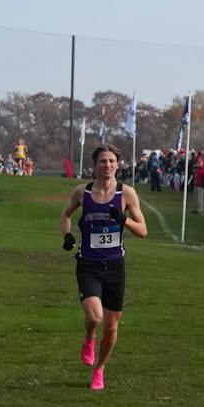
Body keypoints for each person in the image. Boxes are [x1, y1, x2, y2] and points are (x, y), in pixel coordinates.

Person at [59, 145, 148, 392]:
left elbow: (143, 231)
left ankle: (99, 369)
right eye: (102, 161)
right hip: (88, 264)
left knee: (111, 326)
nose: (106, 165)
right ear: (95, 165)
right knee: (95, 317)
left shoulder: (127, 194)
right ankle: (89, 338)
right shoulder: (83, 192)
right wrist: (67, 236)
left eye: (111, 161)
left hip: (115, 267)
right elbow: (66, 215)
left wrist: (124, 220)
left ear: (117, 165)